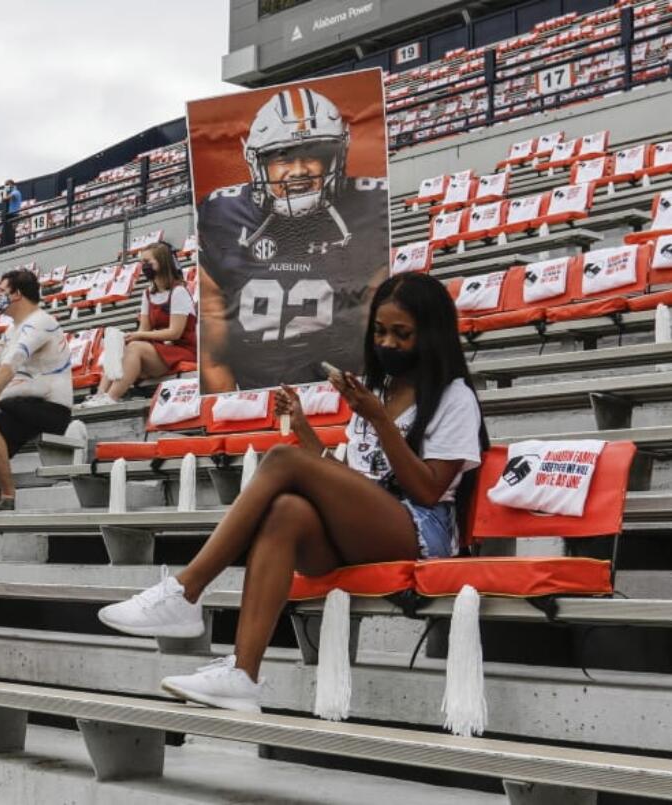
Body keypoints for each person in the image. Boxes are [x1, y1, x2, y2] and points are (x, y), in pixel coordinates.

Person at [98, 273, 487, 712]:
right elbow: (358, 482)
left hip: (420, 531)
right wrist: (307, 434)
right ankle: (244, 674)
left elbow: (430, 491)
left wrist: (379, 422)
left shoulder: (453, 397)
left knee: (281, 459)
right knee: (285, 510)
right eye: (379, 331)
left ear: (430, 335)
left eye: (402, 334)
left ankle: (186, 591)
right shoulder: (377, 391)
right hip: (372, 526)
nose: (388, 343)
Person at [198, 87, 389, 392]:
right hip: (255, 395)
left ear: (337, 156)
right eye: (282, 157)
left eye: (314, 154)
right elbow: (213, 355)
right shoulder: (221, 215)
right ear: (256, 162)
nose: (299, 171)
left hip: (345, 393)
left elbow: (380, 336)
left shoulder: (370, 206)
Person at [0, 269, 71, 511]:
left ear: (17, 294)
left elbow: (14, 360)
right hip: (17, 408)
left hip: (49, 407)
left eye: (2, 292)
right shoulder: (12, 331)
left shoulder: (41, 321)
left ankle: (8, 492)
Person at [79, 242, 196, 408]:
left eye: (148, 262)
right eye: (142, 262)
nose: (144, 266)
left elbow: (174, 333)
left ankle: (111, 397)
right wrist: (129, 337)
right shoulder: (148, 293)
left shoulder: (178, 292)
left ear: (162, 263)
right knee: (119, 344)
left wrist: (138, 336)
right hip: (162, 350)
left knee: (135, 347)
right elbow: (144, 329)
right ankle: (99, 394)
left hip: (184, 350)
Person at [0, 179, 22, 248]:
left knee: (11, 232)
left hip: (13, 214)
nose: (5, 187)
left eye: (7, 185)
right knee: (7, 232)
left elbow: (5, 198)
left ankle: (11, 246)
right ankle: (7, 246)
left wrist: (5, 191)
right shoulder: (12, 192)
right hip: (10, 215)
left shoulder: (15, 192)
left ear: (11, 184)